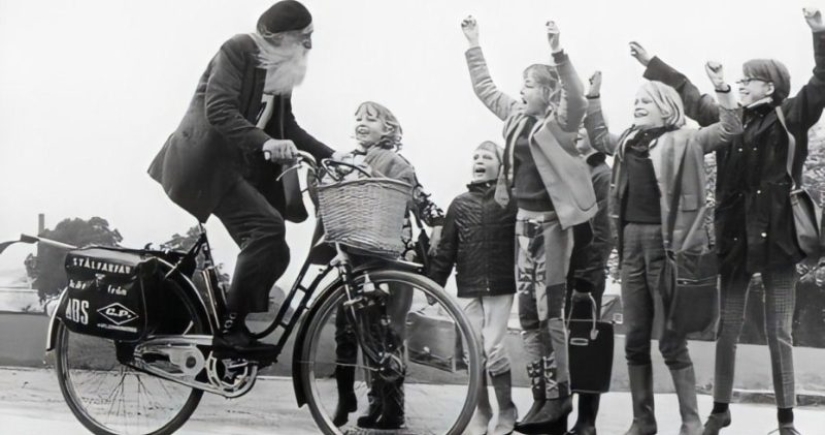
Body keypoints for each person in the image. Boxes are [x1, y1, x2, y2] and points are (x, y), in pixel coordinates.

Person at [627, 8, 825, 435]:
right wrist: (651, 63)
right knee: (728, 328)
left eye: (748, 78)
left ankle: (786, 422)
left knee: (779, 331)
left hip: (779, 240)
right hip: (735, 236)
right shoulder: (725, 118)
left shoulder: (790, 115)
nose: (740, 82)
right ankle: (720, 411)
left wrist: (820, 34)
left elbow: (821, 81)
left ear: (768, 85)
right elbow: (688, 90)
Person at [147, 0, 338, 350]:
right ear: (276, 36)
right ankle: (229, 333)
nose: (308, 46)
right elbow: (219, 109)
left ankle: (227, 324)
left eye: (311, 37)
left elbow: (288, 126)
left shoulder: (279, 69)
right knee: (266, 226)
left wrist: (333, 157)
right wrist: (266, 144)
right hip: (203, 167)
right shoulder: (238, 49)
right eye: (302, 37)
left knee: (276, 252)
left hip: (232, 171)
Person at [584, 67, 742, 435]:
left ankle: (690, 421)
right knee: (635, 338)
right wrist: (593, 97)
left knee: (673, 340)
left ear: (667, 106)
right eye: (635, 100)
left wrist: (722, 88)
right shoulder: (626, 141)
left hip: (671, 248)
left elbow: (731, 129)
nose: (637, 105)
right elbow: (596, 135)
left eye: (646, 101)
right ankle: (643, 420)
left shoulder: (686, 139)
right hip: (631, 245)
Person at [461, 15, 596, 435]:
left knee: (549, 313)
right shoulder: (516, 116)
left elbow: (576, 95)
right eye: (521, 84)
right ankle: (539, 398)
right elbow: (485, 89)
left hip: (551, 225)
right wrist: (473, 44)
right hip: (522, 223)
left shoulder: (559, 124)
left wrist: (558, 51)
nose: (520, 90)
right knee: (530, 316)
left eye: (529, 84)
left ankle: (559, 397)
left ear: (547, 92)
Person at [326, 101, 444, 430]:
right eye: (358, 117)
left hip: (392, 255)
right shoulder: (348, 159)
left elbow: (415, 195)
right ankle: (362, 398)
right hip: (359, 255)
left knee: (387, 333)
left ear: (388, 129)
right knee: (356, 328)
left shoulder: (395, 161)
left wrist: (437, 222)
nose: (362, 122)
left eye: (371, 118)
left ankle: (392, 408)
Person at [427, 141, 518, 435]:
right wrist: (433, 285)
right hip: (468, 286)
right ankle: (482, 410)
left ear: (501, 165)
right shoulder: (460, 203)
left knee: (495, 348)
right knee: (472, 350)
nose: (479, 160)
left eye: (487, 156)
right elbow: (447, 249)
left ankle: (506, 409)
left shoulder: (511, 201)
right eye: (476, 156)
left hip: (502, 286)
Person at [562, 117, 614, 435]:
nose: (578, 132)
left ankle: (586, 422)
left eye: (585, 127)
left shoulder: (601, 174)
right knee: (569, 343)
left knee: (585, 344)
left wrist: (585, 278)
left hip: (585, 275)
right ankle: (564, 417)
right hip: (568, 270)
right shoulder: (578, 171)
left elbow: (602, 231)